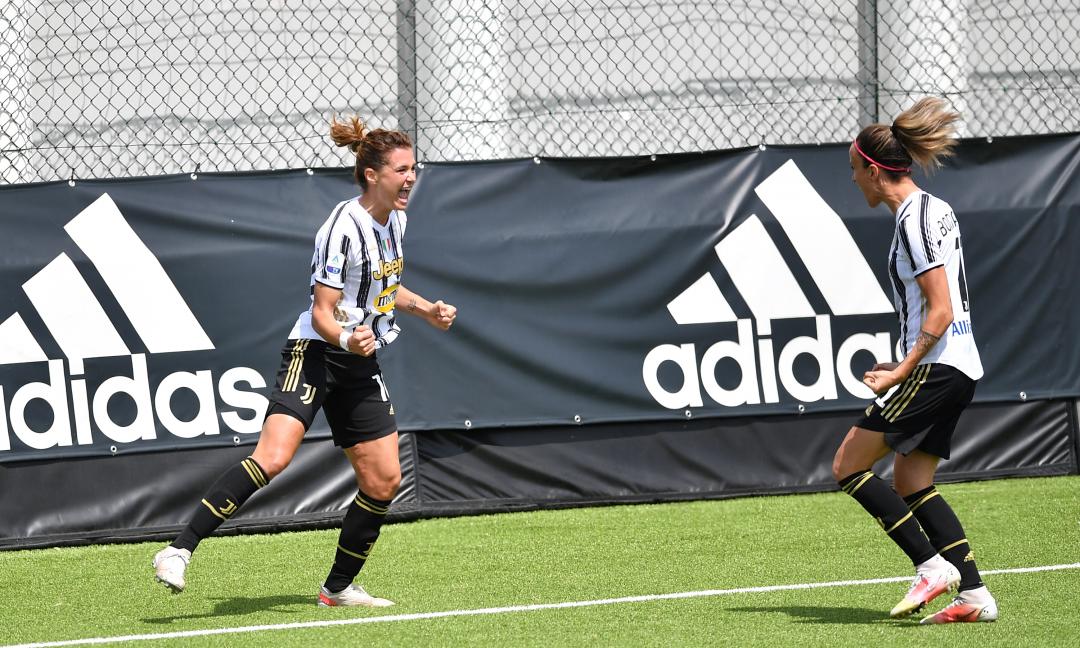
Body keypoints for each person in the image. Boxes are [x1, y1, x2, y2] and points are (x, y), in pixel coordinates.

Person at [152, 116, 457, 607]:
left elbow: (385, 285)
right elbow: (321, 313)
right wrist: (346, 339)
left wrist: (427, 310)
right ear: (371, 174)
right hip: (316, 352)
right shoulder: (341, 227)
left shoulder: (396, 221)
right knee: (272, 458)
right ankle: (177, 551)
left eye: (413, 168)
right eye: (401, 170)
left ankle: (336, 589)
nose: (411, 178)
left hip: (359, 361)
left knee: (384, 479)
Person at [832, 97, 997, 624]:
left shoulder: (914, 219)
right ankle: (973, 596)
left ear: (876, 171)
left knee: (848, 466)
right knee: (912, 482)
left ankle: (931, 566)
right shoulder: (934, 209)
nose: (853, 181)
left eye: (855, 171)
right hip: (957, 367)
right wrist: (903, 359)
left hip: (937, 367)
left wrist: (903, 369)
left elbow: (941, 310)